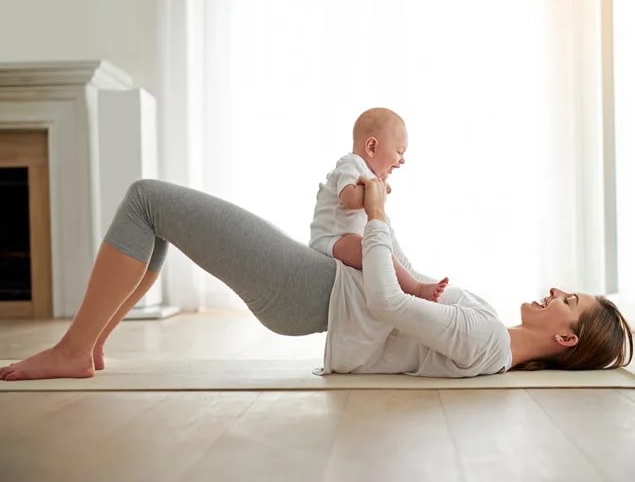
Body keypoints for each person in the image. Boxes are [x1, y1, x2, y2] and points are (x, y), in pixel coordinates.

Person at [0, 178, 632, 380]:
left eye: (566, 301)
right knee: (159, 220)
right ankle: (90, 346)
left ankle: (76, 348)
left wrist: (379, 212)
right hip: (320, 286)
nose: (554, 292)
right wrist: (365, 214)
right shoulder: (489, 326)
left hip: (311, 293)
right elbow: (398, 283)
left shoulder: (488, 344)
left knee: (146, 200)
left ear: (569, 339)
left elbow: (385, 301)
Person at [310, 107, 448, 301]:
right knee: (376, 250)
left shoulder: (368, 173)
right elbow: (349, 198)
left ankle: (412, 284)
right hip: (330, 239)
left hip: (345, 238)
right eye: (399, 151)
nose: (402, 160)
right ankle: (415, 288)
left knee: (380, 249)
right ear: (372, 147)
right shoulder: (351, 164)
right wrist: (376, 191)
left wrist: (377, 186)